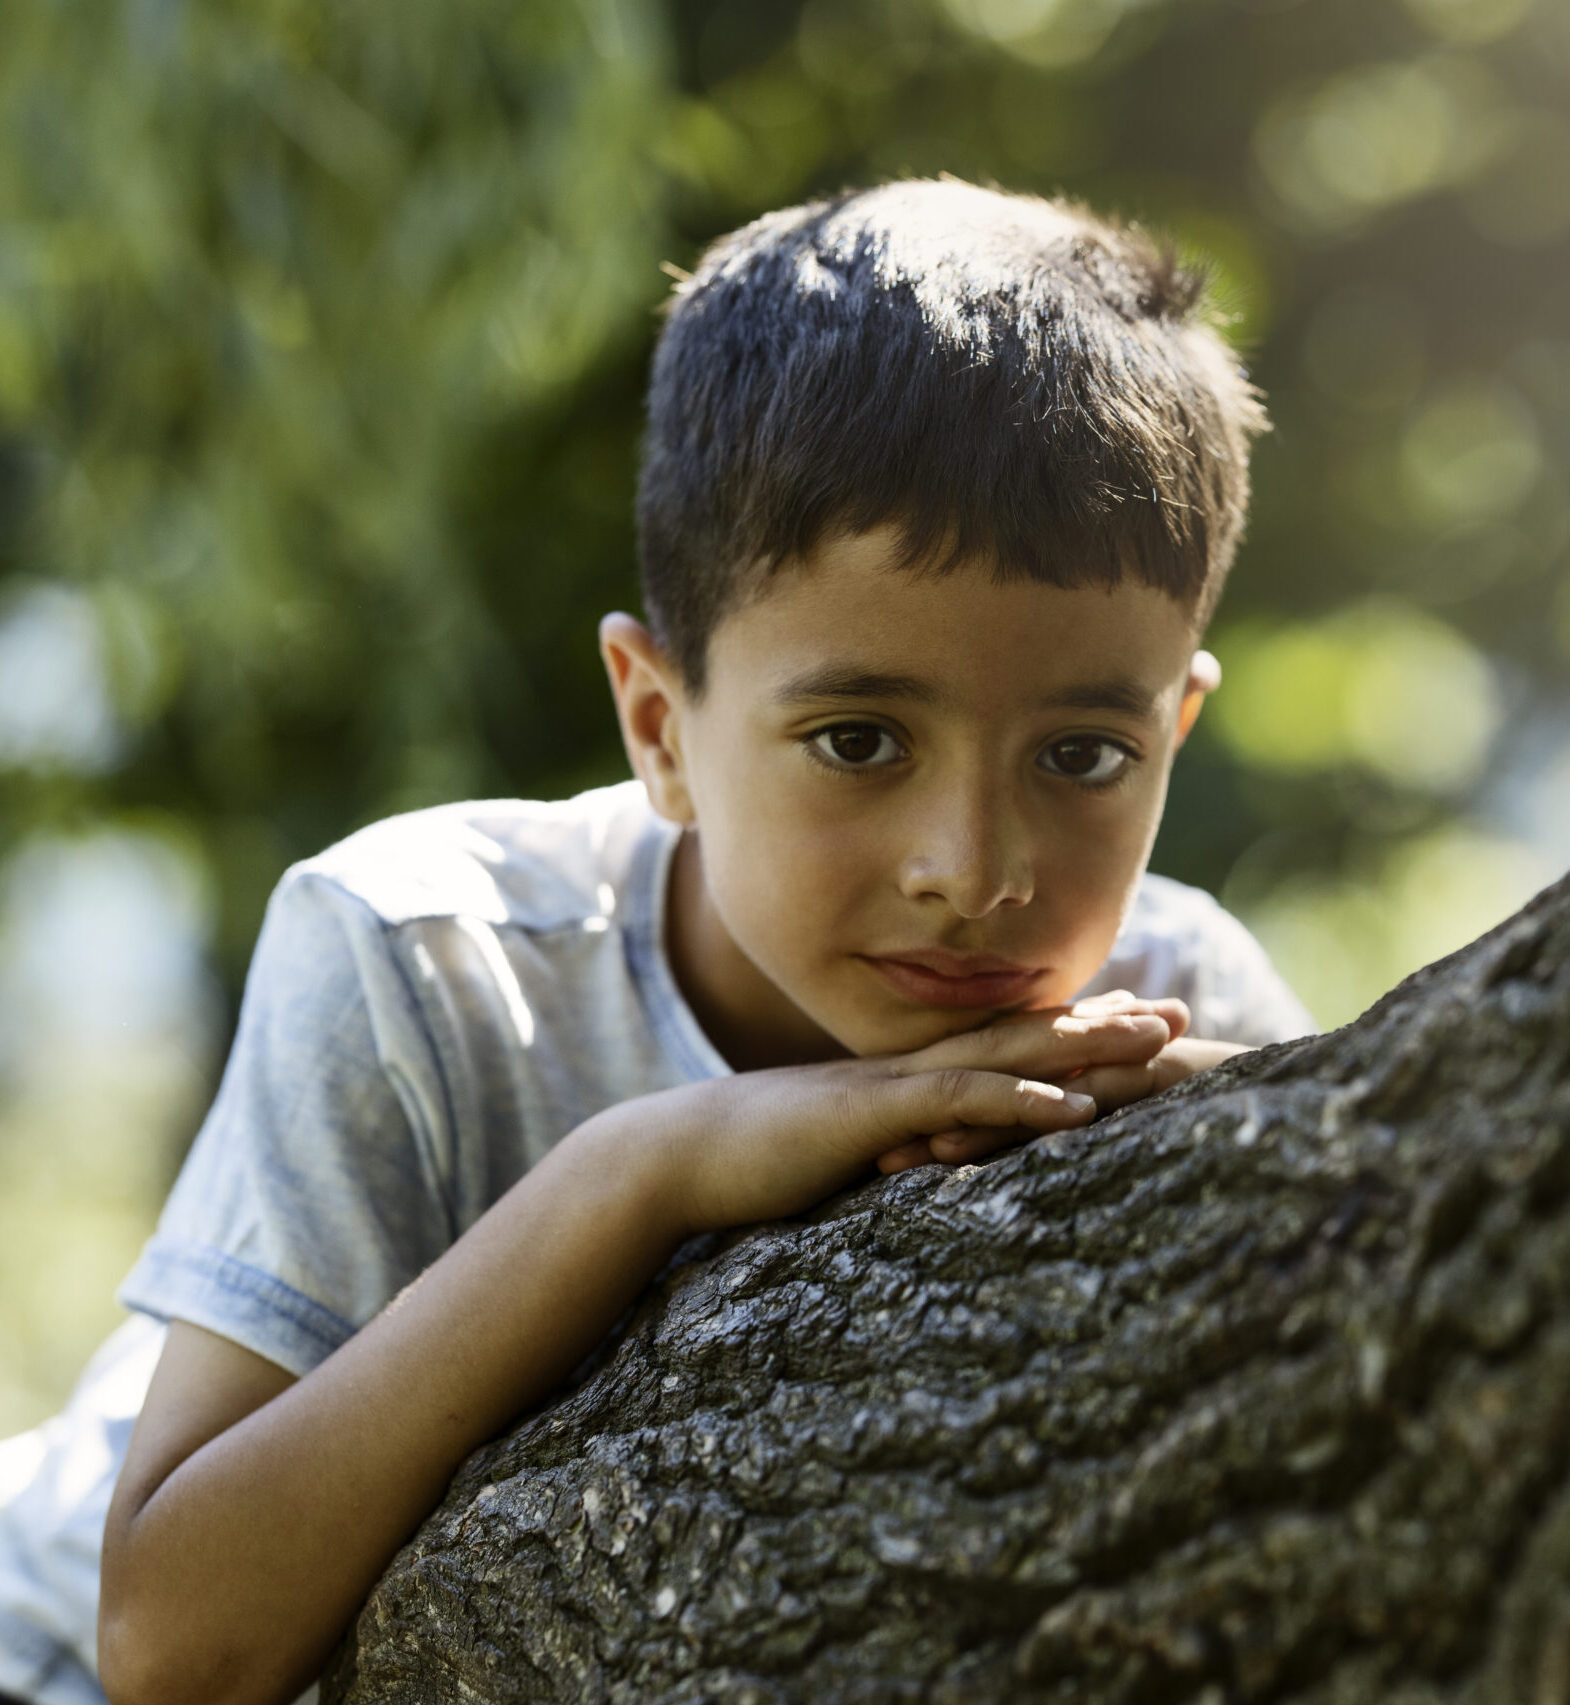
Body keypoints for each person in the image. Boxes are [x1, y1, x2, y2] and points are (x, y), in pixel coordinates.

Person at [0, 178, 1313, 1705]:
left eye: (1082, 756)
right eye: (858, 739)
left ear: (1177, 727)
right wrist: (645, 1167)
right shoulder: (432, 955)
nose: (974, 871)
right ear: (658, 722)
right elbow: (172, 1647)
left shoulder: (1168, 1003)